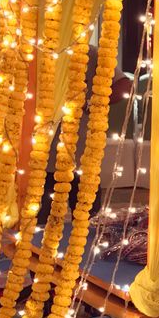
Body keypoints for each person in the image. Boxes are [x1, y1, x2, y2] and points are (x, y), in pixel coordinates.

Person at [37, 44, 130, 225]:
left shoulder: (90, 52)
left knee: (86, 220)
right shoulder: (38, 50)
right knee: (43, 218)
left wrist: (92, 103)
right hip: (43, 155)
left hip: (82, 155)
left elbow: (124, 85)